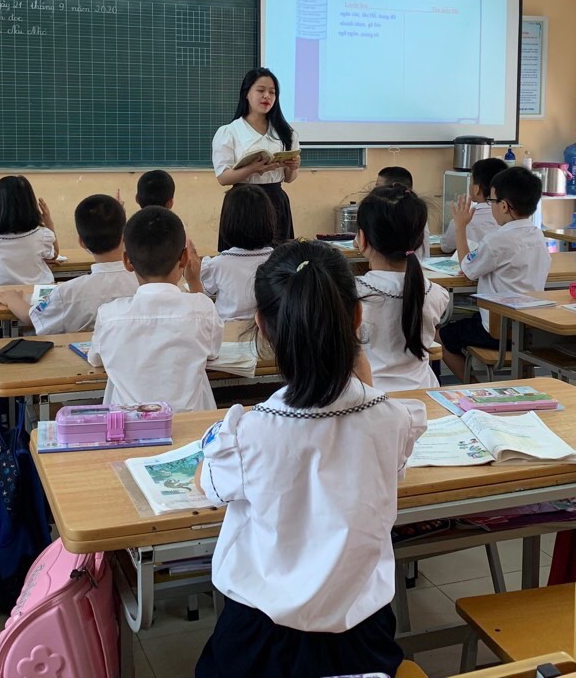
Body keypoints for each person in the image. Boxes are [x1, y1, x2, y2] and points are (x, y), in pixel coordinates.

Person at [193, 240, 427, 678]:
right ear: (357, 318)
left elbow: (206, 484)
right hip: (363, 639)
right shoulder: (394, 419)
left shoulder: (248, 433)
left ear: (262, 327)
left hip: (261, 641)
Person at [89, 207, 222, 412]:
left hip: (128, 427)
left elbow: (95, 360)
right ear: (185, 258)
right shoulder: (202, 309)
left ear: (127, 261)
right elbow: (213, 352)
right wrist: (195, 282)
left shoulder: (109, 316)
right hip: (193, 427)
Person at [440, 167, 550, 381]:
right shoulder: (538, 235)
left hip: (497, 330)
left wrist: (461, 227)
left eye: (491, 201)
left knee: (439, 337)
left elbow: (468, 270)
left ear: (504, 206)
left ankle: (472, 387)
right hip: (530, 328)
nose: (490, 206)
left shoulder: (498, 239)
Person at [356, 185, 450, 393]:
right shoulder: (437, 293)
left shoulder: (351, 293)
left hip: (370, 396)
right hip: (425, 394)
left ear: (362, 239)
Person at [0, 194, 136, 334]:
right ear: (125, 235)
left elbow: (33, 319)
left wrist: (12, 299)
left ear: (81, 242)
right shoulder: (143, 282)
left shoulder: (68, 293)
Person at [211, 68, 300, 248]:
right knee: (241, 256)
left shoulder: (285, 132)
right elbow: (223, 178)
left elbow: (289, 178)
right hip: (243, 202)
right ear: (246, 94)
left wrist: (293, 166)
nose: (267, 96)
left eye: (272, 92)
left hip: (275, 199)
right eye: (261, 90)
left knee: (277, 259)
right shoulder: (230, 131)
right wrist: (252, 169)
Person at [200, 184, 274, 321]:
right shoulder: (277, 260)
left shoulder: (218, 264)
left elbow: (200, 295)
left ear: (227, 222)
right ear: (268, 220)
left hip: (226, 332)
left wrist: (192, 274)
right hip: (266, 332)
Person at [0, 175, 58, 286]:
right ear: (29, 205)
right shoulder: (41, 236)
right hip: (36, 294)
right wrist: (49, 222)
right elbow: (54, 255)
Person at [438, 158, 506, 253]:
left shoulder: (462, 219)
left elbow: (446, 247)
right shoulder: (508, 217)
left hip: (467, 261)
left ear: (476, 189)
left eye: (471, 182)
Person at [376, 166, 431, 258]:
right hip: (421, 265)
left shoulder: (382, 212)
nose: (375, 190)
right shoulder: (418, 209)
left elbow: (359, 241)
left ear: (393, 187)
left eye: (378, 186)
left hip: (394, 266)